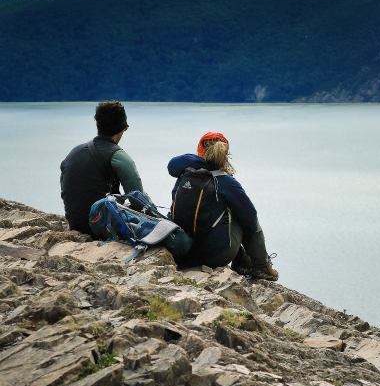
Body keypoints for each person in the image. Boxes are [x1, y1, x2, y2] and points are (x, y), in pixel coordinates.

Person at [167, 132, 278, 281]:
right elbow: (251, 222)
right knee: (243, 213)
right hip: (215, 256)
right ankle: (260, 265)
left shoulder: (183, 177)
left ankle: (243, 260)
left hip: (183, 251)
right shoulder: (226, 182)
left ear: (199, 151)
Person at [60, 101, 152, 237]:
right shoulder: (118, 156)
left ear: (98, 125)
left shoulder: (74, 153)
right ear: (123, 128)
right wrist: (161, 218)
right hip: (102, 228)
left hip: (75, 225)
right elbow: (138, 200)